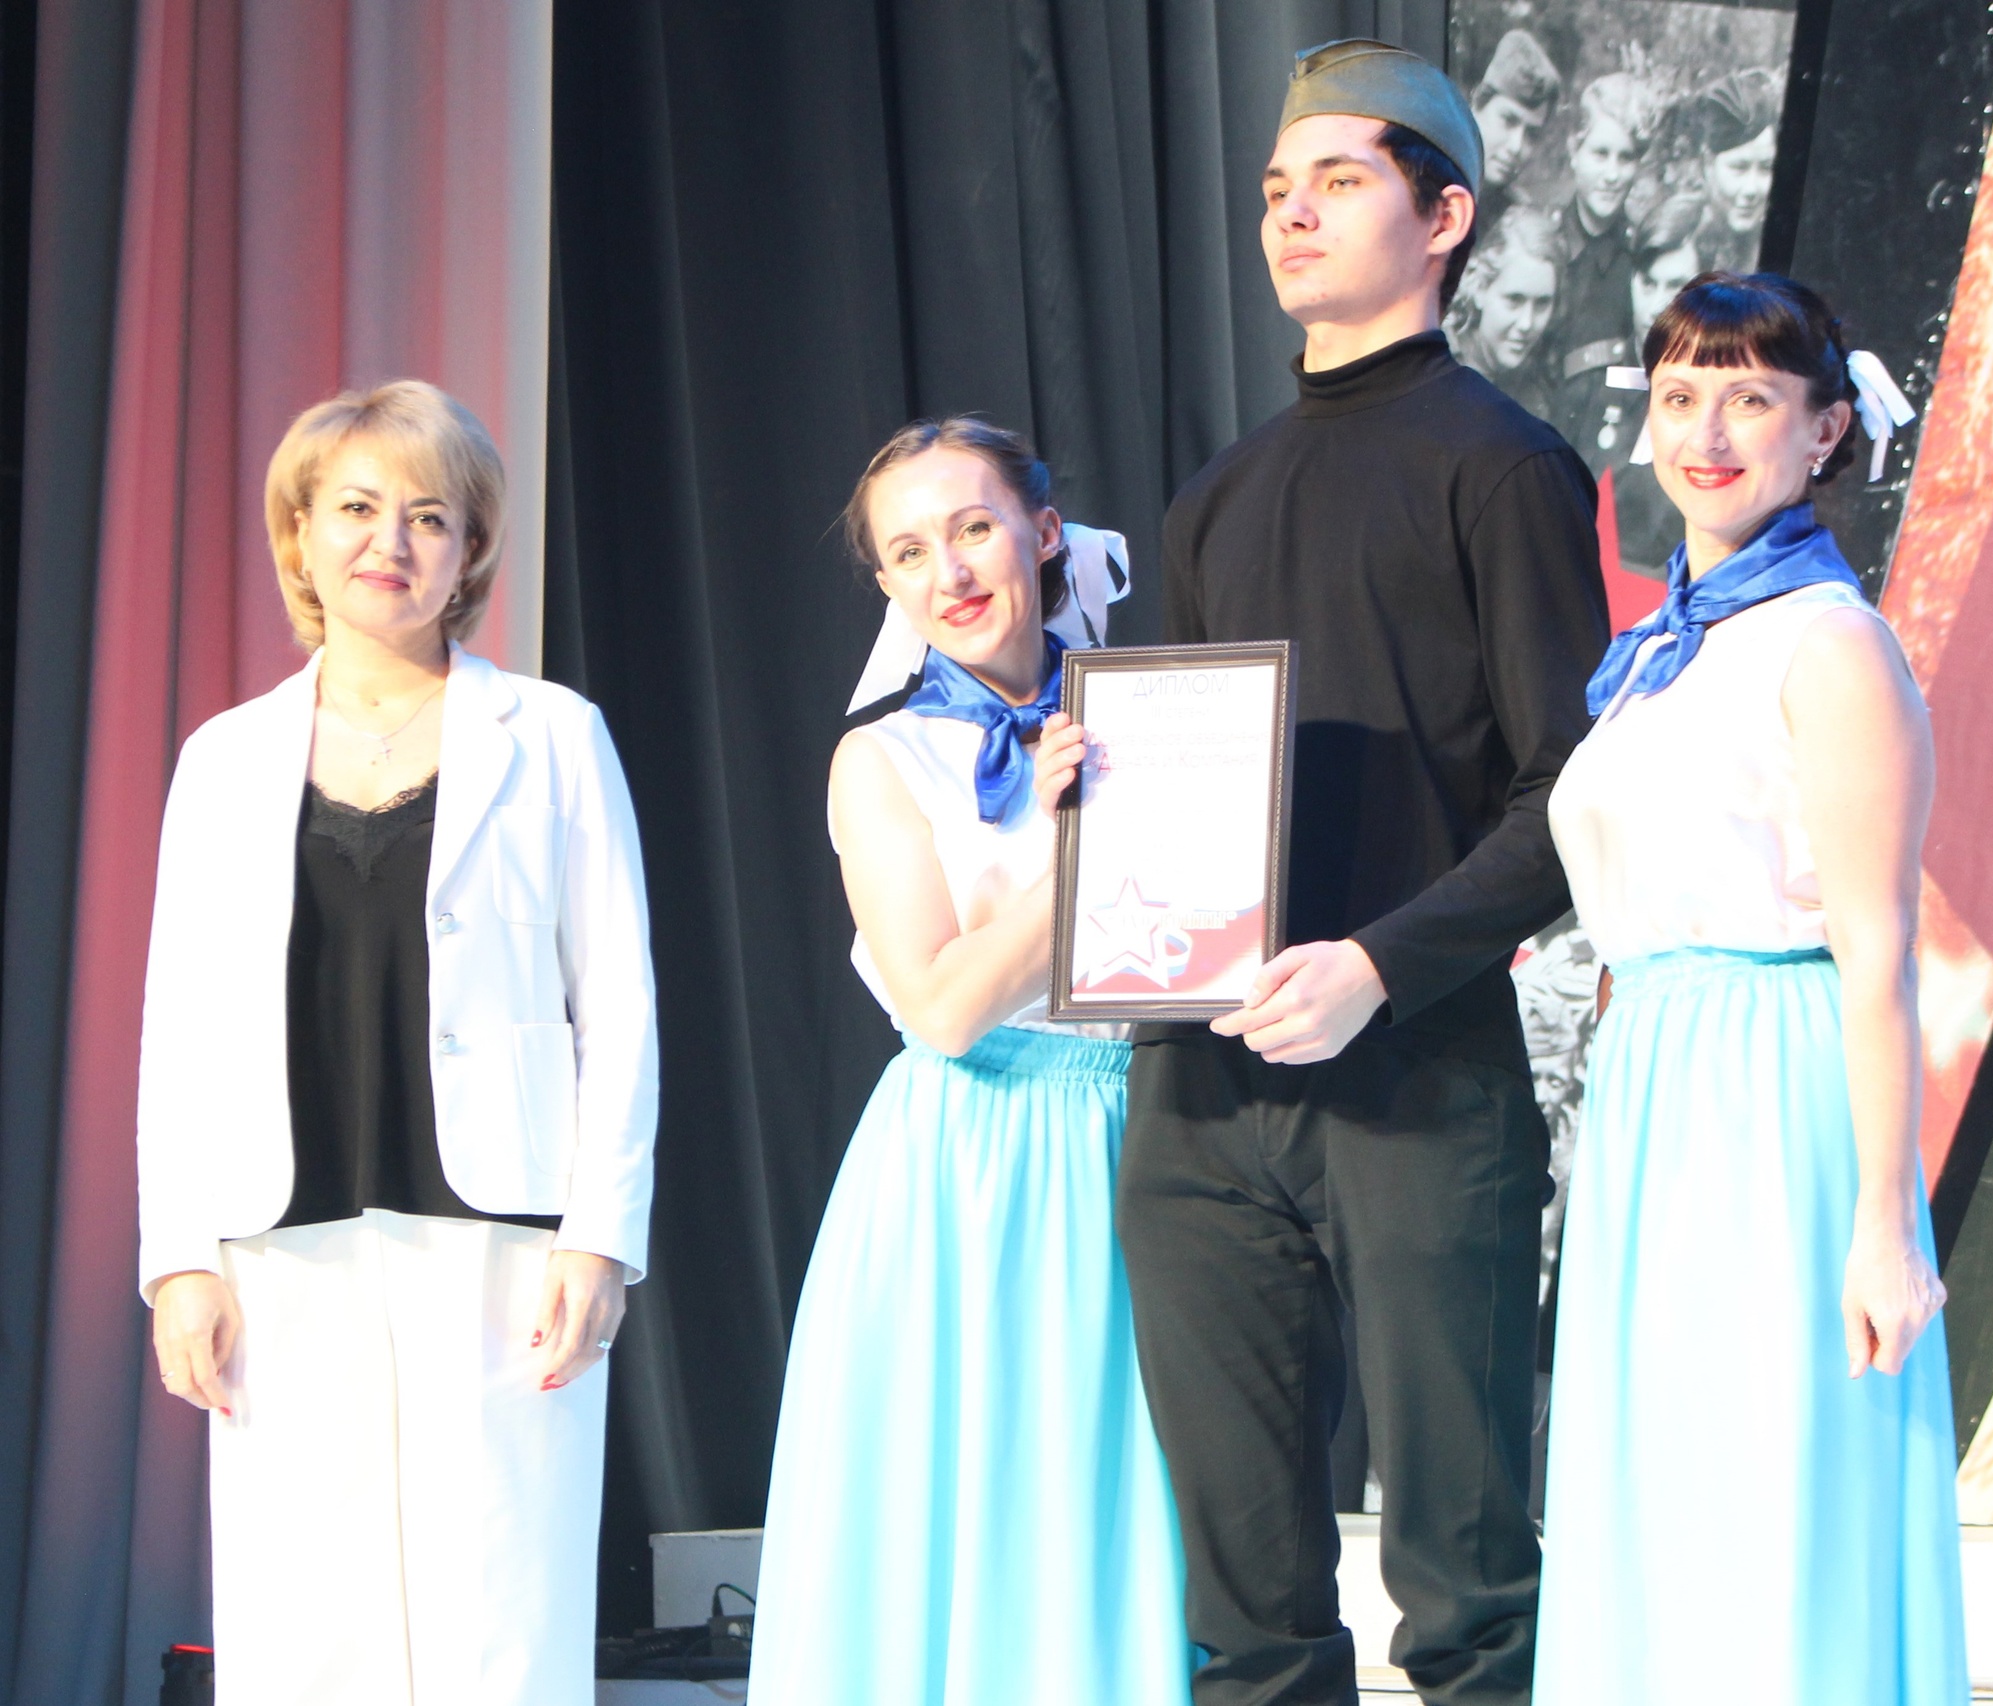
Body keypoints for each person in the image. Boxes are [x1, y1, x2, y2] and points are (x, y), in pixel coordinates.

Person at [1117, 38, 1608, 1706]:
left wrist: (1380, 964)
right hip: (1199, 1090)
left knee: (1464, 1587)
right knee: (1244, 1609)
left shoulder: (1505, 466)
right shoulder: (1215, 499)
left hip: (1419, 1076)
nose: (1291, 213)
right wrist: (1101, 802)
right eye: (1276, 188)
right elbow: (1196, 787)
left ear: (1444, 217)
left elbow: (1568, 793)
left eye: (1338, 181)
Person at [137, 380, 657, 1703]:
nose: (392, 541)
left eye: (431, 515)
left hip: (507, 1238)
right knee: (302, 1625)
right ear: (301, 534)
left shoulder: (555, 736)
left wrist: (601, 1236)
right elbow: (178, 1026)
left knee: (504, 1617)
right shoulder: (223, 758)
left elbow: (620, 1004)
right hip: (276, 1236)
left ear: (471, 548)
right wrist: (177, 1260)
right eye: (358, 508)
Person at [1533, 272, 1968, 1702]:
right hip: (1654, 1087)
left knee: (1771, 1491)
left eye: (1750, 398)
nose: (1707, 432)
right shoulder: (1665, 648)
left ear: (1825, 428)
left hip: (1773, 1089)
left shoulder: (1827, 641)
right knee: (1661, 1496)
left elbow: (1877, 949)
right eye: (1679, 396)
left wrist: (1884, 1221)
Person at [748, 418, 1190, 1706]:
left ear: (1041, 533)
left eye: (974, 527)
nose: (947, 570)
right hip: (970, 1160)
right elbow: (942, 1007)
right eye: (907, 550)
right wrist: (1082, 846)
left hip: (1150, 1135)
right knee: (963, 1500)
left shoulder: (1156, 719)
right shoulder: (879, 758)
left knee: (1113, 1507)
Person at [1549, 74, 1658, 399]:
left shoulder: (1643, 256)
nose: (1612, 175)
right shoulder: (1543, 240)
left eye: (1626, 158)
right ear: (1574, 150)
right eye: (1600, 153)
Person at [1447, 205, 1567, 418]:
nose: (1527, 324)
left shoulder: (1536, 391)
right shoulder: (1436, 367)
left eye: (1542, 304)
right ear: (1481, 289)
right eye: (1514, 300)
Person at [1469, 28, 1560, 232]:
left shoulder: (1520, 217)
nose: (1516, 146)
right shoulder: (1423, 187)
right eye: (1508, 121)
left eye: (1531, 135)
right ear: (1476, 106)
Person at [1696, 69, 1783, 274]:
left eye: (1766, 168)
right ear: (1707, 165)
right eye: (1739, 168)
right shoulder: (1680, 242)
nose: (1751, 189)